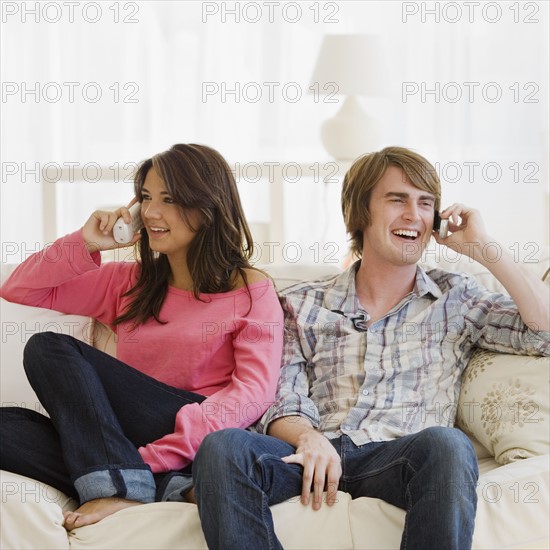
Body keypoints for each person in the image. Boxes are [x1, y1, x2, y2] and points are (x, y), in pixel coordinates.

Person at [192, 146, 550, 550]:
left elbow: (544, 331)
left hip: (402, 458)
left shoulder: (458, 297)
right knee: (224, 447)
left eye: (425, 203)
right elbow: (284, 395)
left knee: (448, 445)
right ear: (360, 212)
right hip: (315, 453)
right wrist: (308, 438)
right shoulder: (301, 303)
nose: (414, 214)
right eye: (397, 199)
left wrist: (483, 246)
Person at [0, 143, 284, 531]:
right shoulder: (129, 282)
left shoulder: (251, 290)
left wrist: (155, 455)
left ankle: (122, 484)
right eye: (146, 198)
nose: (150, 212)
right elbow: (19, 290)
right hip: (118, 439)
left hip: (197, 430)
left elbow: (252, 394)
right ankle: (158, 485)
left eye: (168, 199)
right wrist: (86, 243)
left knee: (48, 348)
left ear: (207, 207)